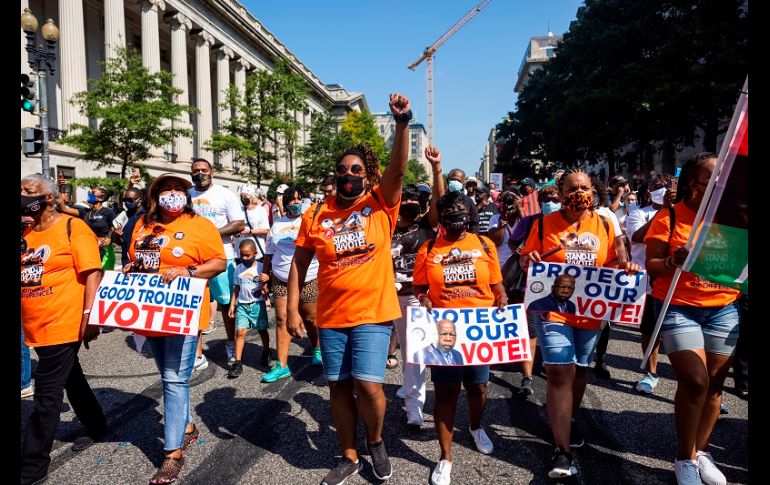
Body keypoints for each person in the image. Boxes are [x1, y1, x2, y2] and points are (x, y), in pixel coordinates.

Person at [288, 93, 411, 485]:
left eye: (356, 168)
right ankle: (348, 454)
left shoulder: (380, 203)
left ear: (366, 174)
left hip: (373, 312)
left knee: (369, 386)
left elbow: (398, 168)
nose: (348, 173)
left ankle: (375, 439)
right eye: (342, 168)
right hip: (331, 314)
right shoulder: (317, 212)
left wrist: (403, 124)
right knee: (338, 387)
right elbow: (299, 262)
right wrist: (292, 308)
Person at [520, 169, 639, 480]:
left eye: (584, 187)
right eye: (572, 188)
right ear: (560, 193)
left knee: (581, 369)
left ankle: (570, 416)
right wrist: (528, 258)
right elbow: (525, 260)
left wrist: (626, 266)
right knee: (560, 369)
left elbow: (614, 261)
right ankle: (561, 450)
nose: (579, 192)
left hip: (590, 311)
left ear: (593, 190)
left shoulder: (603, 223)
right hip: (553, 308)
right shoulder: (544, 223)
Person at [123, 173, 226, 484]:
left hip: (183, 312)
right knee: (168, 373)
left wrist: (188, 269)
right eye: (166, 189)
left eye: (178, 189)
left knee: (173, 378)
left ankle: (172, 453)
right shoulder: (143, 224)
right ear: (155, 195)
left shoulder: (200, 225)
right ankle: (187, 427)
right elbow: (135, 257)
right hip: (150, 312)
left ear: (186, 195)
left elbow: (219, 262)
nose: (172, 194)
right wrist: (131, 266)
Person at [644, 153, 740, 485]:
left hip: (724, 308)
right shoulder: (668, 217)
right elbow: (652, 266)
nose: (718, 184)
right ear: (691, 183)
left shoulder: (732, 219)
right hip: (678, 306)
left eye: (721, 179)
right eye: (711, 179)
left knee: (714, 386)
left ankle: (701, 451)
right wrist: (672, 260)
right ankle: (684, 458)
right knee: (696, 381)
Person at [413, 190, 506, 485]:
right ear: (441, 215)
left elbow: (497, 285)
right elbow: (419, 287)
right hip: (445, 329)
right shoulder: (428, 249)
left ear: (469, 213)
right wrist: (423, 298)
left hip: (480, 328)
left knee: (478, 386)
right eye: (449, 209)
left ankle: (476, 427)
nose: (455, 213)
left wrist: (502, 297)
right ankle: (445, 456)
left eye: (460, 208)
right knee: (446, 391)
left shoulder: (484, 244)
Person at [21, 174, 108, 485]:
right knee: (72, 378)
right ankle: (97, 425)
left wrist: (90, 316)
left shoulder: (73, 227)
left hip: (64, 320)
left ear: (49, 199)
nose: (21, 194)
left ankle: (32, 467)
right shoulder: (26, 231)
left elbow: (93, 273)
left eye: (28, 191)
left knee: (47, 394)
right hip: (36, 323)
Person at [388, 166, 440, 427]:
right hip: (389, 296)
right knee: (407, 349)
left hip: (415, 297)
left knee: (416, 351)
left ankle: (414, 407)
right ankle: (409, 385)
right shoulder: (386, 226)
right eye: (403, 200)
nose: (407, 205)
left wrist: (436, 170)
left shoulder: (426, 228)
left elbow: (439, 206)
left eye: (413, 201)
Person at [262, 184, 322, 383]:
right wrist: (265, 276)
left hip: (309, 277)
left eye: (299, 199)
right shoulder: (277, 224)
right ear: (285, 203)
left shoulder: (311, 222)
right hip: (281, 278)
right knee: (281, 319)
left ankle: (317, 349)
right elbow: (269, 252)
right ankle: (282, 365)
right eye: (291, 199)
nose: (295, 202)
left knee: (310, 318)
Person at [188, 159, 245, 366]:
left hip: (222, 256)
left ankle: (231, 343)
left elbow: (239, 223)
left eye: (204, 170)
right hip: (191, 257)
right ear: (191, 173)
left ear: (212, 173)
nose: (200, 174)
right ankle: (196, 353)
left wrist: (210, 234)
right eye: (196, 171)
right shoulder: (187, 195)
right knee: (193, 304)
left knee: (225, 304)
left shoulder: (224, 194)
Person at [625, 174, 672, 395]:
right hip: (646, 281)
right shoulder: (638, 214)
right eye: (656, 186)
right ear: (647, 191)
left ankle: (704, 390)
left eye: (666, 185)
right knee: (650, 328)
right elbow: (637, 237)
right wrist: (664, 212)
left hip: (674, 282)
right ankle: (651, 373)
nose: (662, 189)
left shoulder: (681, 213)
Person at [227, 239, 271, 378]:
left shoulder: (260, 267)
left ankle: (266, 351)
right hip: (242, 305)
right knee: (240, 333)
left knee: (262, 330)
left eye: (247, 255)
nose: (244, 258)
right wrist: (232, 304)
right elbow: (237, 287)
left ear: (255, 254)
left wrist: (267, 279)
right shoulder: (238, 268)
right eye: (242, 255)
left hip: (257, 304)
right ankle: (237, 362)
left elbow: (267, 284)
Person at [57, 185, 117, 269]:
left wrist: (109, 238)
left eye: (92, 193)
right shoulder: (85, 212)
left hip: (104, 250)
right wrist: (58, 189)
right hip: (89, 249)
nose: (89, 194)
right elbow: (63, 209)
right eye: (89, 192)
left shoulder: (108, 212)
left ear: (101, 197)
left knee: (103, 276)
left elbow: (114, 226)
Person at [235, 188, 270, 263]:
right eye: (241, 196)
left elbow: (265, 230)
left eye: (245, 196)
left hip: (256, 250)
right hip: (240, 250)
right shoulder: (238, 210)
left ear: (252, 197)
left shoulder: (260, 210)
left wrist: (249, 231)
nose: (243, 198)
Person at [445, 168, 480, 234]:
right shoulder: (442, 200)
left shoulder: (468, 201)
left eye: (459, 181)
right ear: (448, 181)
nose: (456, 182)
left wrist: (472, 239)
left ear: (463, 184)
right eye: (454, 179)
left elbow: (475, 222)